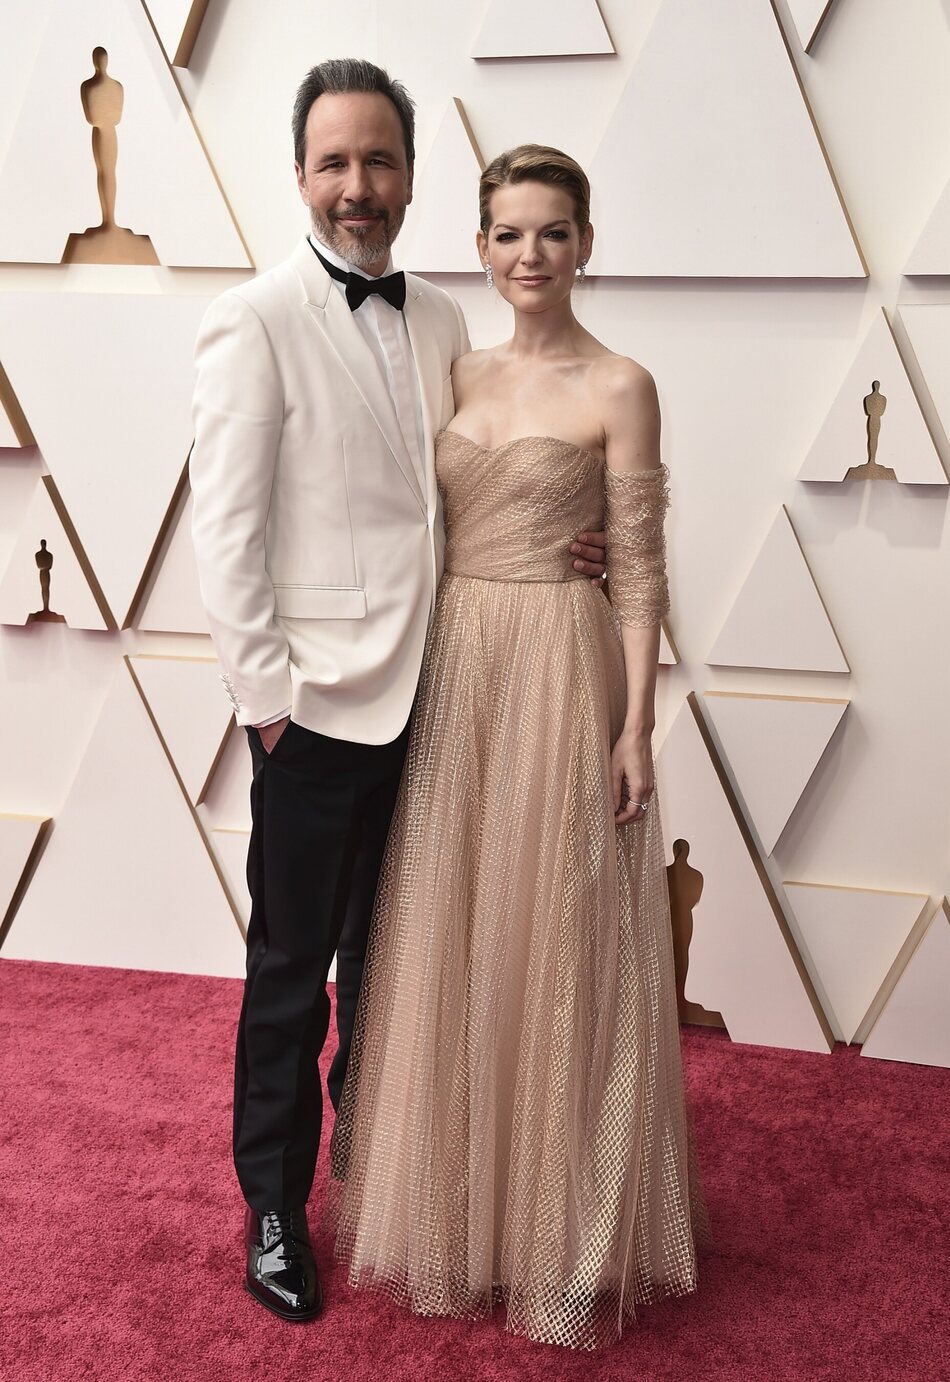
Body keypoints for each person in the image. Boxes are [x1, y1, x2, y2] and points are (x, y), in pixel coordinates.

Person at [189, 64, 607, 1322]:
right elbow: (228, 535)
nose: (357, 187)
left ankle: (380, 1176)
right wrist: (269, 702)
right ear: (300, 174)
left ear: (414, 176)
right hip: (313, 709)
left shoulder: (442, 322)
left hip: (444, 697)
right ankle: (273, 1206)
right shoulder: (251, 318)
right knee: (289, 973)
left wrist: (566, 535)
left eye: (379, 162)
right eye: (334, 163)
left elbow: (466, 485)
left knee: (398, 967)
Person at [333, 144, 706, 1351]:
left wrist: (635, 720)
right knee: (456, 934)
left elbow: (641, 564)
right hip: (456, 666)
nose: (529, 256)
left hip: (560, 666)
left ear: (586, 242)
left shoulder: (623, 384)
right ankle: (461, 1220)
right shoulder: (451, 369)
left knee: (554, 937)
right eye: (507, 234)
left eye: (552, 233)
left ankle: (557, 1233)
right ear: (481, 245)